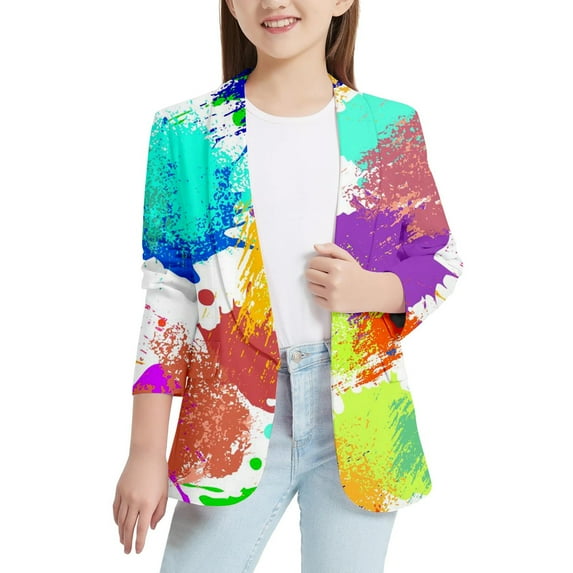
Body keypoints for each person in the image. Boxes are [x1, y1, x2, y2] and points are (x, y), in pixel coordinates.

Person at [113, 0, 463, 571]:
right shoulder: (188, 133)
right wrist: (145, 451)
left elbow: (439, 260)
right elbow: (169, 293)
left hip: (358, 414)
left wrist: (372, 291)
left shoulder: (387, 126)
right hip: (228, 412)